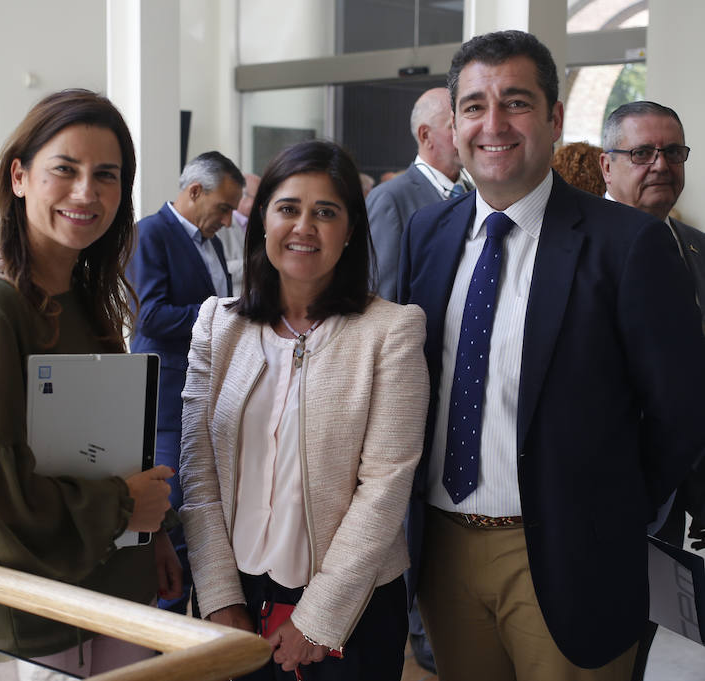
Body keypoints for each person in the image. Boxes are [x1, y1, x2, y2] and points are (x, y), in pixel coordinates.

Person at [396, 30, 705, 681]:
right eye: (475, 106)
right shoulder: (428, 233)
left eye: (516, 102)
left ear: (556, 118)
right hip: (443, 554)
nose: (494, 123)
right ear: (453, 123)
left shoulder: (627, 244)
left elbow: (680, 412)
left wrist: (608, 506)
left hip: (572, 556)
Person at [0, 89, 179, 677]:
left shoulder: (84, 295)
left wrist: (152, 535)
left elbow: (108, 441)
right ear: (19, 177)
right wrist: (122, 508)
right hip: (35, 616)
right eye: (64, 170)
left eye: (106, 176)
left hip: (111, 591)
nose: (86, 193)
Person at [180, 139, 429, 680]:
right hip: (237, 592)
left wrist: (319, 617)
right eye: (288, 208)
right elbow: (199, 474)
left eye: (326, 212)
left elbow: (386, 486)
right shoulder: (217, 325)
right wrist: (220, 596)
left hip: (349, 600)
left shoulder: (391, 330)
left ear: (351, 231)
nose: (304, 227)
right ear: (261, 220)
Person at [599, 100, 705, 681]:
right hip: (607, 494)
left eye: (673, 152)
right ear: (607, 165)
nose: (660, 164)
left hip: (680, 498)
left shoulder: (696, 248)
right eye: (642, 152)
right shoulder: (578, 249)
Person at [129, 151, 244, 614]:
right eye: (223, 208)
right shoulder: (151, 234)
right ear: (195, 192)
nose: (228, 219)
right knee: (171, 516)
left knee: (203, 511)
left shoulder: (209, 240)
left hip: (207, 392)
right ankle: (168, 633)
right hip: (168, 399)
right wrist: (226, 310)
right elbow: (150, 315)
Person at [367, 87, 468, 301]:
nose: (465, 134)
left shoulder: (477, 193)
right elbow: (383, 297)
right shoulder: (391, 199)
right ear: (425, 135)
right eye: (454, 127)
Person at [219, 172, 261, 294]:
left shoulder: (260, 223)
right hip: (231, 299)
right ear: (242, 196)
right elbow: (218, 269)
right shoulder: (220, 225)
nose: (262, 204)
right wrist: (256, 264)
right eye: (258, 198)